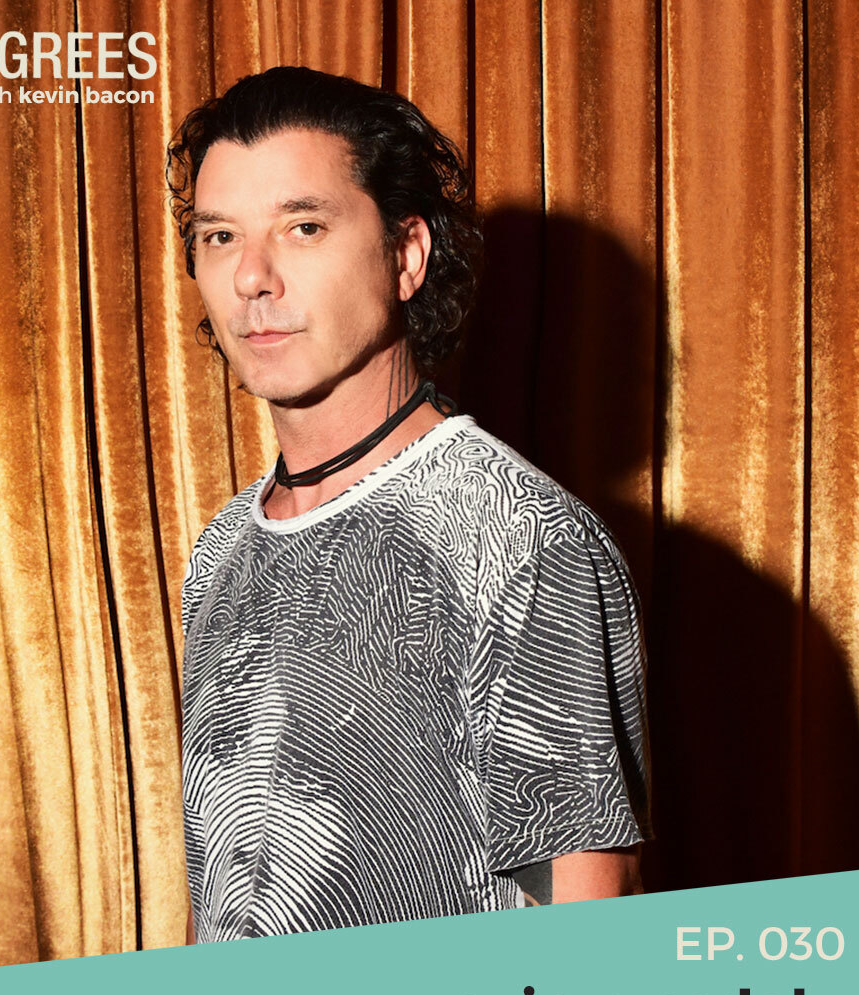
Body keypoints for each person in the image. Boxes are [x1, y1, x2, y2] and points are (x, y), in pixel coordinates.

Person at [166, 66, 653, 944]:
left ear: (406, 255)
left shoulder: (522, 539)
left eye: (303, 227)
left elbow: (588, 930)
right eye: (219, 236)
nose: (251, 277)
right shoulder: (224, 548)